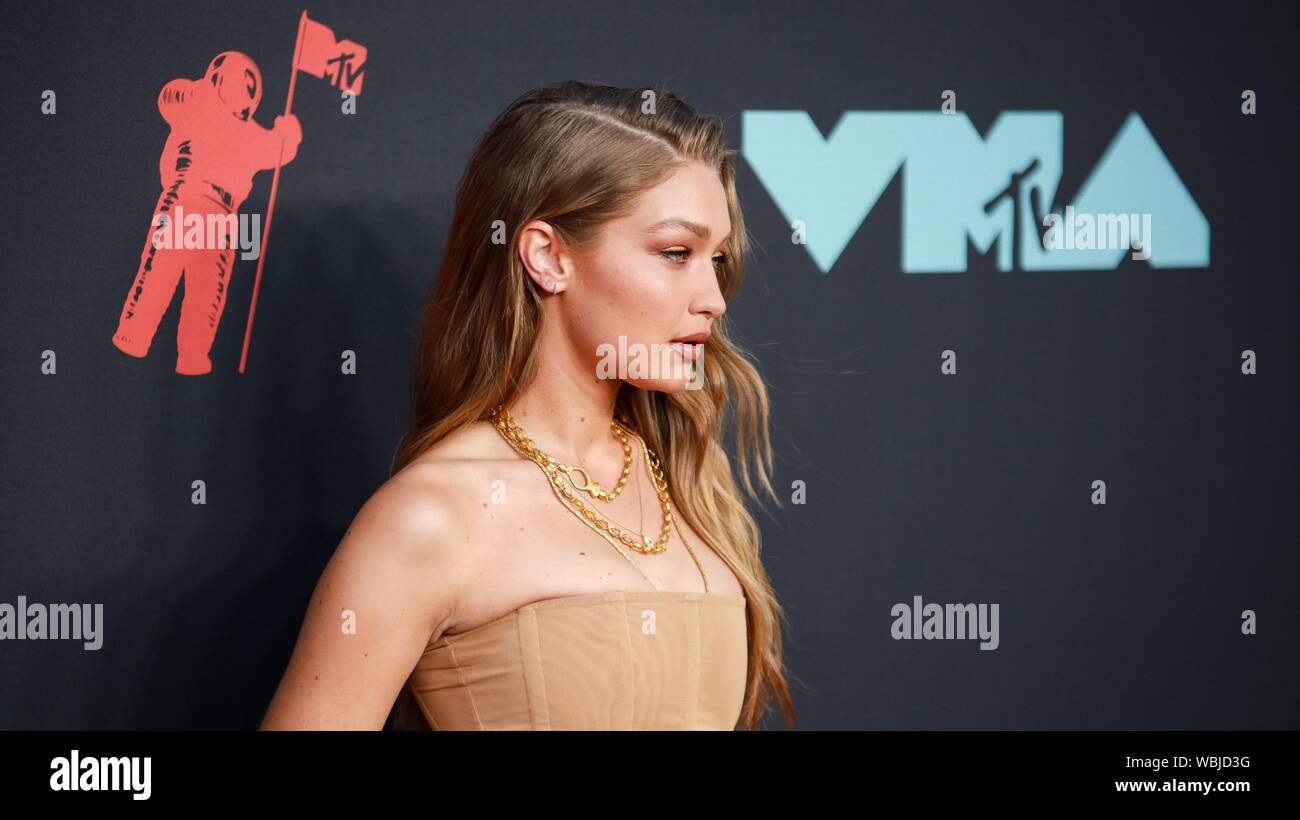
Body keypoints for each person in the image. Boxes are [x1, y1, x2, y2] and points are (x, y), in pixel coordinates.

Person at [260, 81, 795, 730]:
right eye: (676, 253)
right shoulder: (429, 518)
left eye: (716, 259)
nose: (713, 297)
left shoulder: (691, 487)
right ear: (548, 256)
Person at [111, 51, 302, 375]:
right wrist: (198, 91)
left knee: (208, 292)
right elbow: (168, 97)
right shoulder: (197, 101)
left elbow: (277, 150)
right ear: (217, 76)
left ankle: (194, 357)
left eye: (251, 83)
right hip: (186, 193)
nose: (246, 86)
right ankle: (133, 336)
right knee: (159, 272)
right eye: (240, 77)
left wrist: (288, 132)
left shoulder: (251, 133)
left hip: (225, 213)